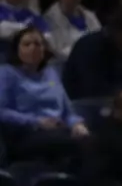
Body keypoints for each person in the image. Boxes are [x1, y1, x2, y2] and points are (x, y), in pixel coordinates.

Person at [0, 26, 87, 163]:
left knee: (89, 139)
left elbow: (68, 110)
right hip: (25, 133)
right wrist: (37, 121)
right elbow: (2, 111)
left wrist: (76, 124)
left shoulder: (51, 73)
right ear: (17, 49)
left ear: (44, 49)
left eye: (38, 44)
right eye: (27, 44)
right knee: (81, 145)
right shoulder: (7, 73)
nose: (33, 48)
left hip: (58, 129)